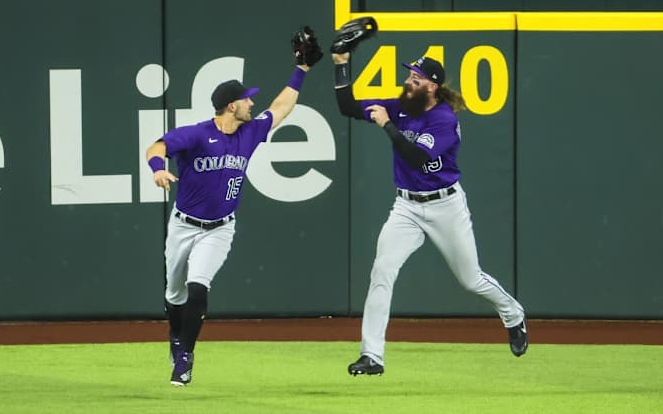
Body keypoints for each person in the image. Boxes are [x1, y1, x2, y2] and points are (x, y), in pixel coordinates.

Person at [331, 52, 528, 376]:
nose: (409, 81)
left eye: (416, 79)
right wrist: (340, 64)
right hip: (406, 207)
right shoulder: (400, 106)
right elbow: (347, 106)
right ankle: (372, 356)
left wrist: (387, 125)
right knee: (382, 271)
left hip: (445, 206)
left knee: (470, 279)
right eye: (410, 76)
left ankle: (512, 313)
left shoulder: (443, 119)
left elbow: (417, 158)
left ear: (432, 87)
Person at [146, 28, 321, 386]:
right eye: (246, 99)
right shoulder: (196, 134)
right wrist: (158, 168)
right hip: (183, 225)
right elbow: (156, 147)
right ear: (231, 106)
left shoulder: (250, 132)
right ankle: (176, 336)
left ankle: (185, 357)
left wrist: (301, 70)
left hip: (221, 227)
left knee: (198, 287)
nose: (252, 103)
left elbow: (281, 107)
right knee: (174, 295)